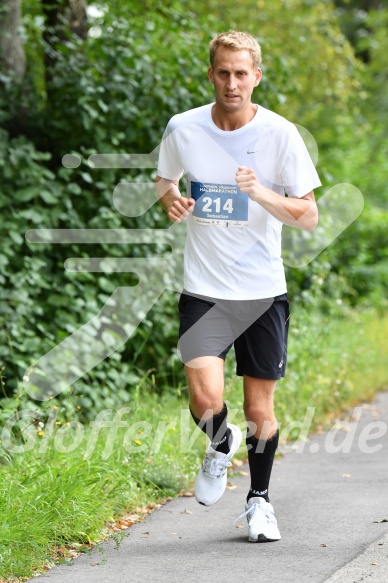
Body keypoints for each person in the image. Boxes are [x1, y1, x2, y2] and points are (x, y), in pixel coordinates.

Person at [155, 30, 320, 542]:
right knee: (205, 398)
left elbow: (309, 214)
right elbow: (165, 180)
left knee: (259, 410)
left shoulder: (280, 134)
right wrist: (171, 201)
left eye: (241, 73)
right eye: (223, 72)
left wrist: (262, 192)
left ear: (257, 76)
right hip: (204, 288)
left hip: (261, 290)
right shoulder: (183, 128)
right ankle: (219, 444)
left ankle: (259, 503)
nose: (232, 83)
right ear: (211, 74)